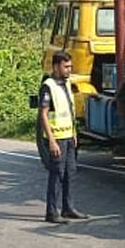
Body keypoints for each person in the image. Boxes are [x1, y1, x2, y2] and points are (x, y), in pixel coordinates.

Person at [38, 51, 88, 224]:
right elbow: (43, 115)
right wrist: (51, 140)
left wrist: (74, 133)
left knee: (69, 173)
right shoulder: (48, 86)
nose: (69, 70)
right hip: (57, 139)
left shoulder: (66, 84)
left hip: (68, 136)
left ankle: (68, 208)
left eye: (70, 66)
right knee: (57, 174)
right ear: (56, 66)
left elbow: (69, 111)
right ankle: (51, 212)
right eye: (66, 66)